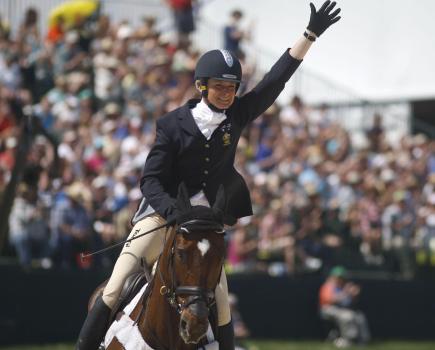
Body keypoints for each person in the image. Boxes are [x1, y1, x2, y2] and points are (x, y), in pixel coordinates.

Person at [76, 1, 341, 349]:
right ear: (202, 86)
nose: (228, 93)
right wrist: (172, 211)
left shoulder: (237, 116)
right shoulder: (171, 126)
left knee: (222, 302)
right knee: (116, 282)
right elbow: (150, 181)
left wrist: (309, 36)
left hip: (207, 222)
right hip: (163, 214)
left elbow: (274, 82)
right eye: (220, 87)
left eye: (232, 88)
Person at [319, 266, 371, 347]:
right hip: (328, 309)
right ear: (333, 277)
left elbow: (350, 302)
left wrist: (354, 295)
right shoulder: (328, 286)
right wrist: (346, 292)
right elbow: (330, 300)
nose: (340, 279)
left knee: (359, 316)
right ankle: (348, 340)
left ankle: (362, 340)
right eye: (338, 277)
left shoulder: (345, 286)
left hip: (343, 309)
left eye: (342, 277)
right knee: (347, 316)